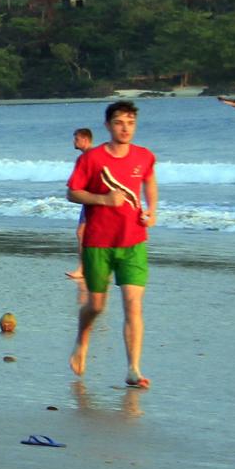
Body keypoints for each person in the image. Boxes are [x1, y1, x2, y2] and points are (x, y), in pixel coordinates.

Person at [67, 100, 158, 389]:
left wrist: (152, 210)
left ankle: (133, 368)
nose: (125, 128)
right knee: (96, 305)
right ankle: (82, 339)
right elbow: (72, 193)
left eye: (131, 122)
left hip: (133, 242)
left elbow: (149, 181)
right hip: (99, 243)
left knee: (134, 305)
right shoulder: (91, 159)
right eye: (119, 122)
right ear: (108, 126)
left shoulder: (144, 156)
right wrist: (103, 200)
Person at [59, 127, 94, 279]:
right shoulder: (87, 156)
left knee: (82, 233)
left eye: (77, 139)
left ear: (85, 140)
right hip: (89, 200)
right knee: (84, 233)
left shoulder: (91, 156)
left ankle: (83, 269)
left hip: (93, 200)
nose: (74, 141)